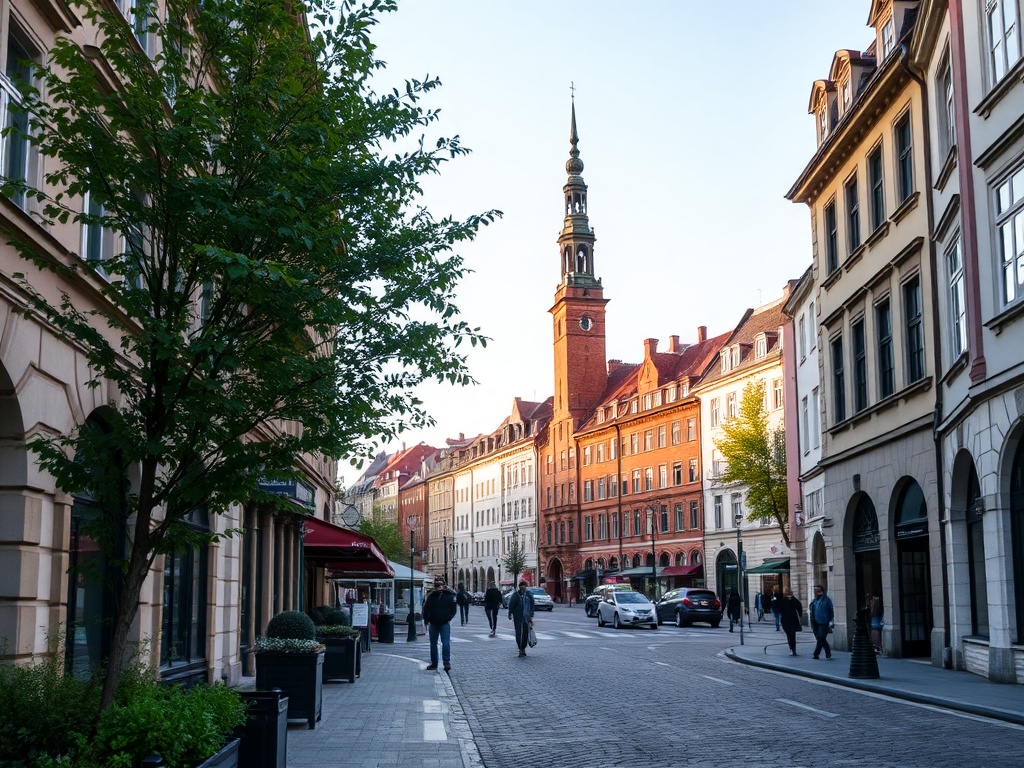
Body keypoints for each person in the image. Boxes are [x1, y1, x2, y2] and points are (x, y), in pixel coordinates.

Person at [422, 576, 457, 671]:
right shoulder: (432, 596)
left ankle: (446, 662)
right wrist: (426, 619)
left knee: (445, 643)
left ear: (443, 585)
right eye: (436, 585)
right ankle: (434, 663)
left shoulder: (449, 596)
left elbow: (453, 610)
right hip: (433, 623)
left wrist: (448, 618)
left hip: (444, 623)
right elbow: (426, 608)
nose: (438, 587)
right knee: (433, 644)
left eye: (439, 585)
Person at [506, 579, 535, 657]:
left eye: (524, 586)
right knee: (518, 633)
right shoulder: (516, 595)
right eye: (522, 586)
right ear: (519, 587)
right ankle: (520, 648)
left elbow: (532, 605)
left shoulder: (529, 595)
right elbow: (511, 605)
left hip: (526, 617)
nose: (523, 588)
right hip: (517, 617)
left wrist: (531, 616)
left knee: (525, 633)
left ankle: (523, 648)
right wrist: (510, 613)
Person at [809, 584, 835, 660]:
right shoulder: (814, 601)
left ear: (821, 591)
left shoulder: (826, 600)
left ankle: (816, 654)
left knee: (821, 638)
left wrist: (831, 621)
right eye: (815, 591)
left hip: (824, 622)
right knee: (820, 639)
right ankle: (828, 651)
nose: (816, 592)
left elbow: (831, 611)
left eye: (817, 590)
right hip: (815, 622)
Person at [779, 588, 803, 656]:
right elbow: (799, 607)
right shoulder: (787, 600)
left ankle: (792, 649)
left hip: (788, 620)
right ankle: (793, 649)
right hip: (790, 619)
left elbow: (798, 606)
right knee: (791, 635)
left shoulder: (788, 600)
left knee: (790, 635)